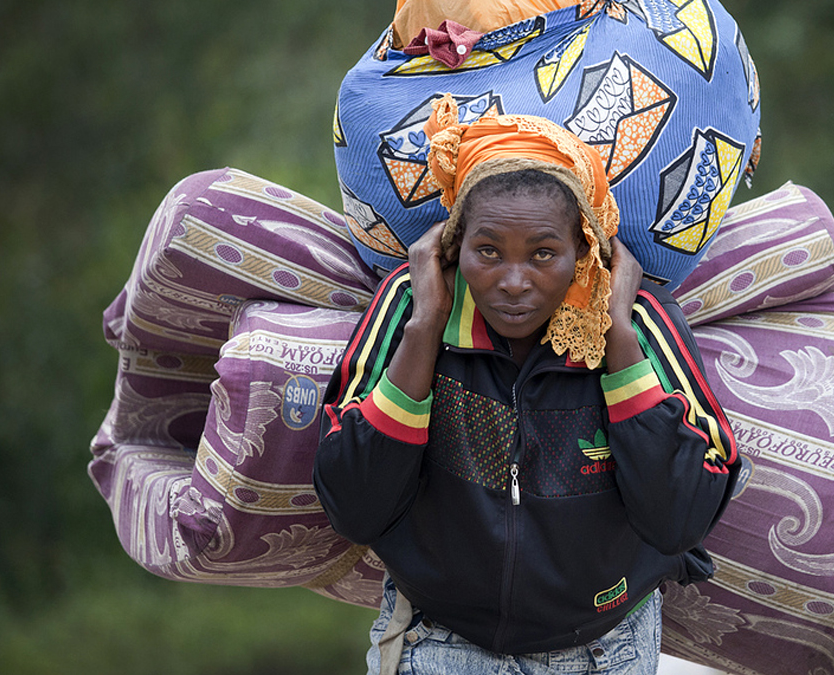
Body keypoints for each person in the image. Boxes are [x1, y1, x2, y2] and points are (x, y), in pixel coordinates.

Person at [314, 94, 740, 674]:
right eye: (487, 251)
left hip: (605, 649)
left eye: (543, 254)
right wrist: (424, 331)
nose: (514, 282)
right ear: (453, 246)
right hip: (437, 640)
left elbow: (679, 518)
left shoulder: (636, 323)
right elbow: (354, 507)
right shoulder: (411, 309)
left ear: (584, 252)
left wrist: (617, 337)